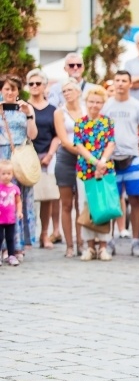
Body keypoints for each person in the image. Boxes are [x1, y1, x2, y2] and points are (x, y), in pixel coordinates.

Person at [102, 70, 139, 255]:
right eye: (117, 80)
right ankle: (109, 240)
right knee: (112, 201)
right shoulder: (107, 106)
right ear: (113, 83)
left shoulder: (137, 106)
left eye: (124, 80)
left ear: (130, 84)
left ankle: (136, 241)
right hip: (111, 159)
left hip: (132, 158)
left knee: (135, 200)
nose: (120, 84)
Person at [74, 87, 116, 261]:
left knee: (105, 205)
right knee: (87, 206)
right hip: (86, 170)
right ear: (86, 102)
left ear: (103, 103)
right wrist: (94, 161)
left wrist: (103, 161)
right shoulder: (80, 123)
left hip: (105, 169)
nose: (94, 105)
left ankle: (104, 245)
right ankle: (89, 246)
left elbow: (111, 143)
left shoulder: (108, 122)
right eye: (91, 101)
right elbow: (79, 145)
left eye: (98, 102)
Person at [0, 74, 38, 260]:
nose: (9, 92)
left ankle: (18, 245)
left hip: (21, 157)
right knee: (3, 202)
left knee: (19, 201)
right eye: (6, 89)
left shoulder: (26, 108)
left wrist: (29, 114)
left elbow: (33, 134)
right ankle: (4, 246)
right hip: (3, 157)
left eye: (13, 89)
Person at [27, 69, 63, 249]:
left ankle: (44, 234)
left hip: (47, 155)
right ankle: (27, 236)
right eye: (31, 84)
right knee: (27, 197)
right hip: (28, 156)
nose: (34, 87)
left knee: (47, 197)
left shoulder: (52, 110)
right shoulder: (24, 107)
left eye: (38, 83)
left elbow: (58, 135)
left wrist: (50, 154)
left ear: (44, 86)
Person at [54, 79, 87, 258]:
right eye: (64, 91)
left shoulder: (86, 109)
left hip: (85, 158)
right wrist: (80, 151)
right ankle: (69, 245)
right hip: (67, 157)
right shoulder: (60, 112)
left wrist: (87, 154)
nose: (67, 93)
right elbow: (64, 139)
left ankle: (81, 241)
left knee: (80, 202)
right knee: (66, 203)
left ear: (78, 92)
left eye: (69, 90)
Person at [0, 159, 22, 266]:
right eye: (3, 174)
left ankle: (11, 255)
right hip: (0, 218)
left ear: (12, 174)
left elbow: (18, 201)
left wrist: (19, 212)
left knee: (10, 238)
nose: (6, 176)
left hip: (10, 219)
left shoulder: (15, 189)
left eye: (9, 173)